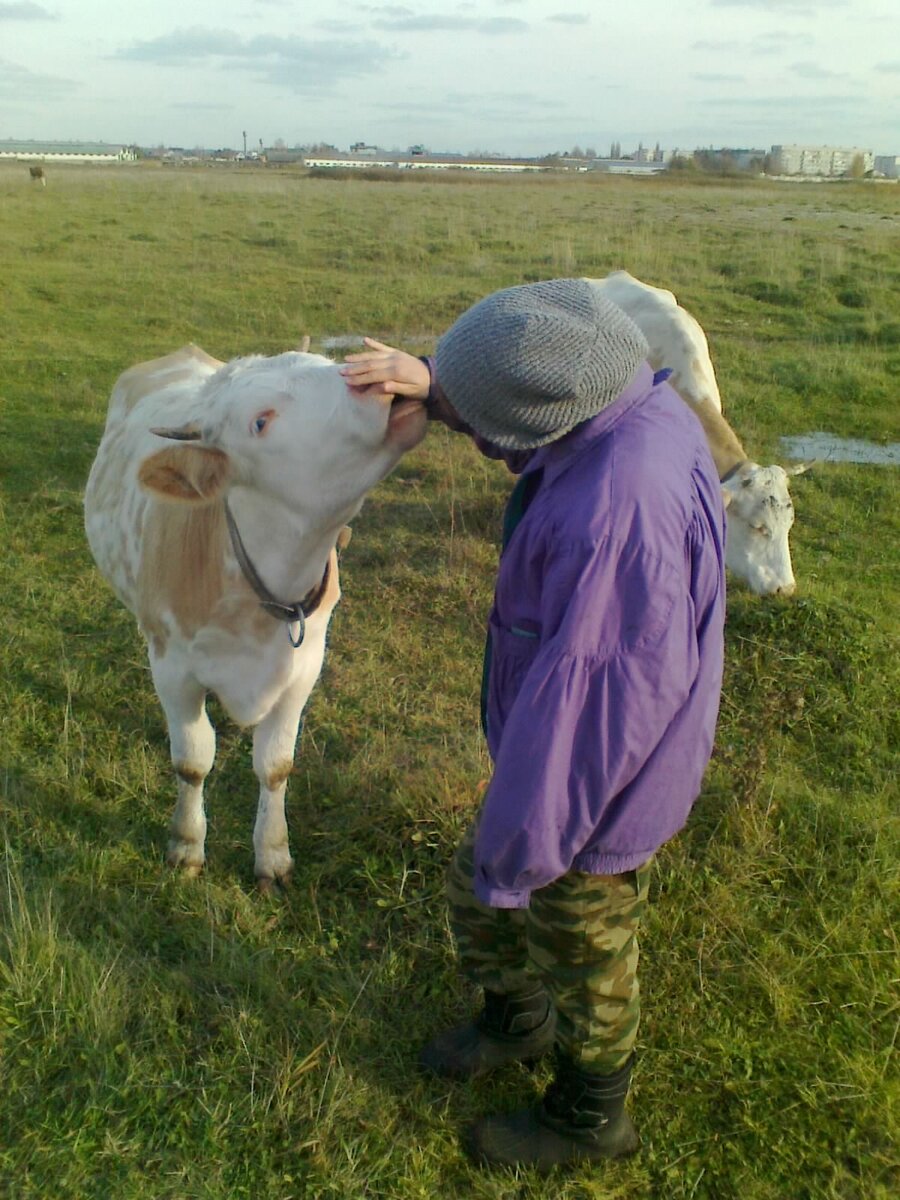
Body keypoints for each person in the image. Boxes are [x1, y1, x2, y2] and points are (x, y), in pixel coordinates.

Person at [340, 279, 726, 1171]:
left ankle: (591, 1117)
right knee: (475, 891)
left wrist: (525, 842)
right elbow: (535, 381)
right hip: (575, 749)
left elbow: (592, 710)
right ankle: (515, 1020)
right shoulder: (630, 404)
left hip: (596, 785)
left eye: (478, 418)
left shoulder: (613, 517)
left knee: (583, 942)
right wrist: (437, 383)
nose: (471, 431)